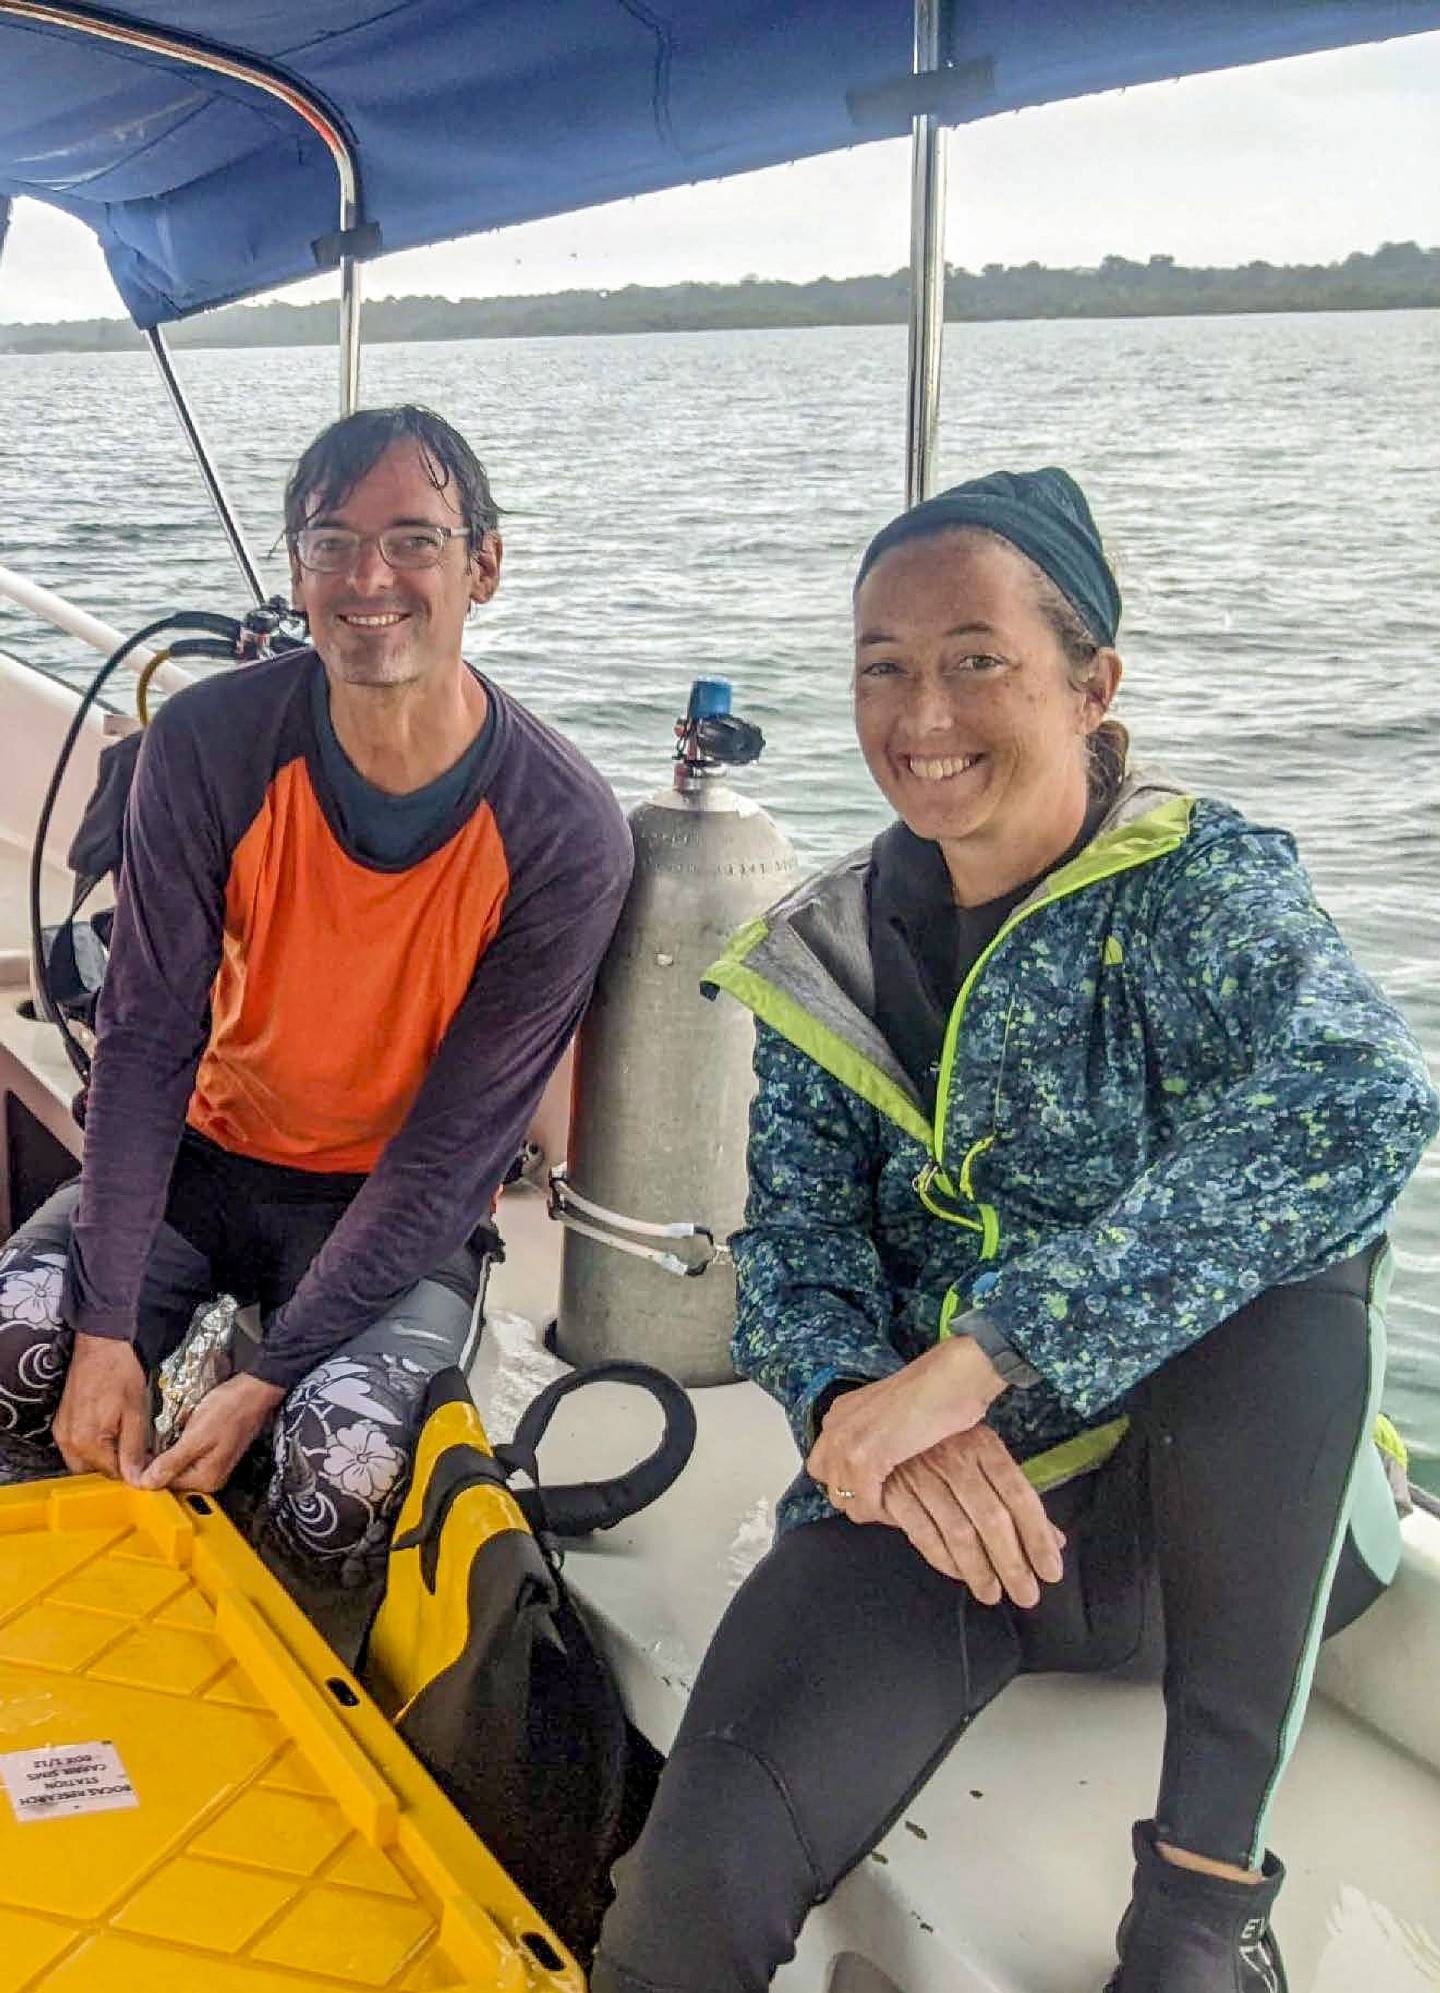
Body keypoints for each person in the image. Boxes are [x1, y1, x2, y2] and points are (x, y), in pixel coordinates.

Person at [592, 468, 1439, 1992]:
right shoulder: (828, 950)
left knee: (1297, 1267)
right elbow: (792, 1253)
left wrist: (987, 1351)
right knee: (683, 1899)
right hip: (947, 1519)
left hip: (1222, 1538)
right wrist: (864, 1408)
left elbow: (1367, 1095)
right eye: (884, 665)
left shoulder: (1200, 887)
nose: (925, 711)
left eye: (977, 657)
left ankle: (1201, 1902)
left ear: (1090, 681)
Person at [0, 403, 632, 1584]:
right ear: (295, 570)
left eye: (414, 540)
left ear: (484, 565)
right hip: (208, 1157)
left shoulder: (562, 830)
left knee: (337, 1480)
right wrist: (98, 1329)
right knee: (17, 1352)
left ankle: (266, 1669)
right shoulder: (208, 745)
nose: (367, 576)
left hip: (392, 1208)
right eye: (330, 541)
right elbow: (143, 1044)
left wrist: (272, 1376)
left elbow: (452, 1160)